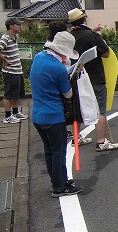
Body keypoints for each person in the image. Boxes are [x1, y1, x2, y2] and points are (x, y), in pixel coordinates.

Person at [30, 31, 83, 197]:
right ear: (63, 52)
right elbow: (68, 94)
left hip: (38, 115)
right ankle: (60, 188)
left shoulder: (39, 58)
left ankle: (57, 181)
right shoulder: (58, 68)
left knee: (50, 152)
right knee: (59, 152)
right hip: (53, 116)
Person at [68, 8, 118, 151]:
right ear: (84, 19)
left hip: (76, 78)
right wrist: (98, 37)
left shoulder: (69, 37)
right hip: (94, 78)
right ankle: (101, 141)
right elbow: (106, 54)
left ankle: (76, 138)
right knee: (100, 111)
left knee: (77, 110)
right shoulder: (91, 35)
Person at [0, 17, 27, 124]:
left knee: (16, 94)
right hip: (10, 71)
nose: (20, 26)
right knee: (9, 94)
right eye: (18, 24)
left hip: (17, 70)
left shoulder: (14, 37)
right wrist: (5, 60)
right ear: (11, 26)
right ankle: (7, 116)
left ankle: (15, 112)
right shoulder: (6, 38)